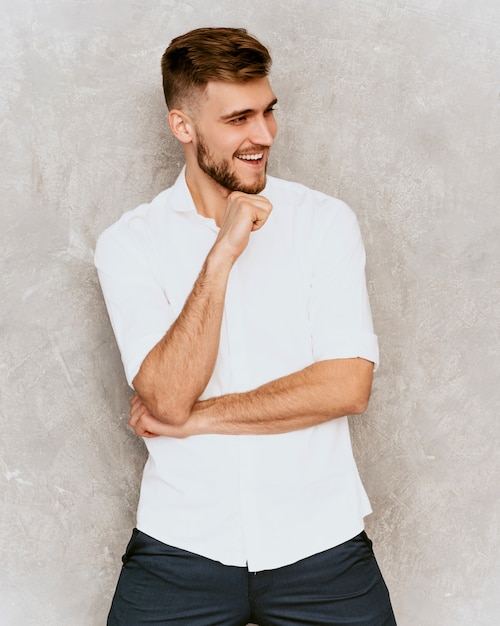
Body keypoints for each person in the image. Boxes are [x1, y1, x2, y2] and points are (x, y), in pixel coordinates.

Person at [95, 26, 396, 626]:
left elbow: (345, 387)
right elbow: (165, 396)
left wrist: (198, 418)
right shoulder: (130, 243)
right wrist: (222, 254)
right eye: (238, 119)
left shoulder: (324, 223)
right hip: (182, 546)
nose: (263, 135)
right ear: (184, 126)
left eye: (268, 112)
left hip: (322, 546)